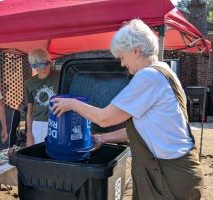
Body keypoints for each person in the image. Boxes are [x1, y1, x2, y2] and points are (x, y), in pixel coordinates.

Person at [51, 19, 203, 200]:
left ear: (136, 51)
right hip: (174, 170)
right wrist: (103, 138)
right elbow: (143, 127)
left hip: (169, 175)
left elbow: (104, 118)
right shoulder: (165, 71)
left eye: (122, 57)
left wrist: (72, 104)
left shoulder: (148, 77)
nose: (122, 64)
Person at [25, 48, 59, 146]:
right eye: (38, 65)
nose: (43, 68)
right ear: (33, 66)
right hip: (38, 124)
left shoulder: (60, 76)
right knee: (39, 155)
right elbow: (29, 112)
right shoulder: (29, 83)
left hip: (58, 121)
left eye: (46, 63)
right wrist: (29, 135)